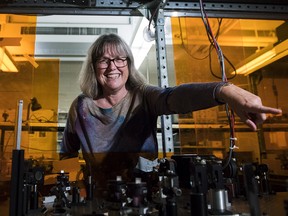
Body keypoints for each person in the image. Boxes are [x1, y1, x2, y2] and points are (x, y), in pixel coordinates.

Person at [59, 33, 281, 194]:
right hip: (96, 200)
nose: (112, 66)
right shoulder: (81, 107)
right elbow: (66, 157)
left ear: (128, 63)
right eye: (103, 60)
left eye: (119, 59)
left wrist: (225, 91)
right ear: (94, 67)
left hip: (146, 197)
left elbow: (175, 97)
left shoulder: (144, 96)